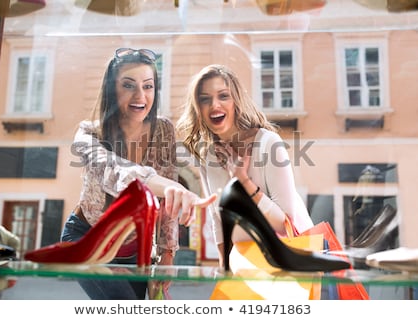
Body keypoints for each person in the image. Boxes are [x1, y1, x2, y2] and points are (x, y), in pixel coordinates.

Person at [62, 48, 215, 300]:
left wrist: (167, 255)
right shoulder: (88, 134)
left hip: (136, 249)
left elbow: (166, 204)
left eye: (148, 86)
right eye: (128, 85)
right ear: (112, 90)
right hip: (86, 240)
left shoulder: (163, 130)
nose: (140, 95)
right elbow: (115, 174)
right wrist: (167, 186)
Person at [176, 64, 314, 268]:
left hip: (289, 262)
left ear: (236, 101)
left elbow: (284, 223)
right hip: (245, 264)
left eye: (223, 96)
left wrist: (242, 181)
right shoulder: (208, 155)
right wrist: (224, 264)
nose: (214, 105)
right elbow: (217, 217)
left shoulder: (268, 143)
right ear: (198, 108)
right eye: (205, 99)